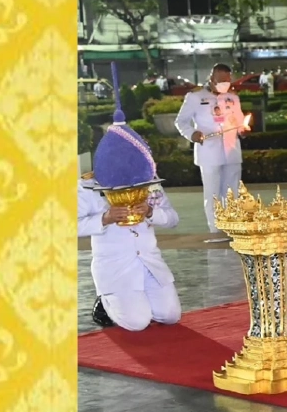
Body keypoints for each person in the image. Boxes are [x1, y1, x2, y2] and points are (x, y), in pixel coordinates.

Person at [80, 78, 181, 332]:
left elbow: (172, 219)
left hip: (149, 263)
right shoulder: (88, 187)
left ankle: (135, 301)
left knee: (170, 316)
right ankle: (105, 301)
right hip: (116, 267)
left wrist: (150, 212)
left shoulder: (148, 183)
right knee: (137, 323)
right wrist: (103, 218)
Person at [174, 64, 247, 236]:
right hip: (209, 150)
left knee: (233, 191)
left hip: (231, 151)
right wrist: (192, 134)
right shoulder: (195, 97)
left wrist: (242, 130)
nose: (225, 84)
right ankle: (216, 229)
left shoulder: (233, 98)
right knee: (213, 192)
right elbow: (181, 121)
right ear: (211, 78)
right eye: (221, 80)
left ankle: (233, 226)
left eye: (228, 80)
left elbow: (239, 120)